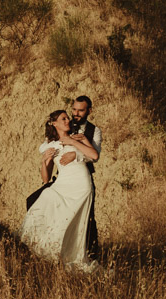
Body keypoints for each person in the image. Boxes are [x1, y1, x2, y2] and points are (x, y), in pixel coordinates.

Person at [19, 109, 99, 269]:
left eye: (68, 118)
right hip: (63, 182)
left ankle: (70, 254)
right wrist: (44, 161)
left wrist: (73, 143)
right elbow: (45, 179)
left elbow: (94, 156)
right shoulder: (50, 146)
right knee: (47, 196)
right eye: (63, 119)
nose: (68, 120)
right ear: (54, 123)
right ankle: (48, 250)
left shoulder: (78, 137)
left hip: (80, 182)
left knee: (72, 220)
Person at [68, 95, 103, 262]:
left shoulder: (95, 131)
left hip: (84, 177)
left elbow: (94, 156)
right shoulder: (65, 125)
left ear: (89, 111)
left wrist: (76, 152)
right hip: (65, 177)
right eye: (74, 109)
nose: (76, 113)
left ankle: (90, 256)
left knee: (88, 217)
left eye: (80, 110)